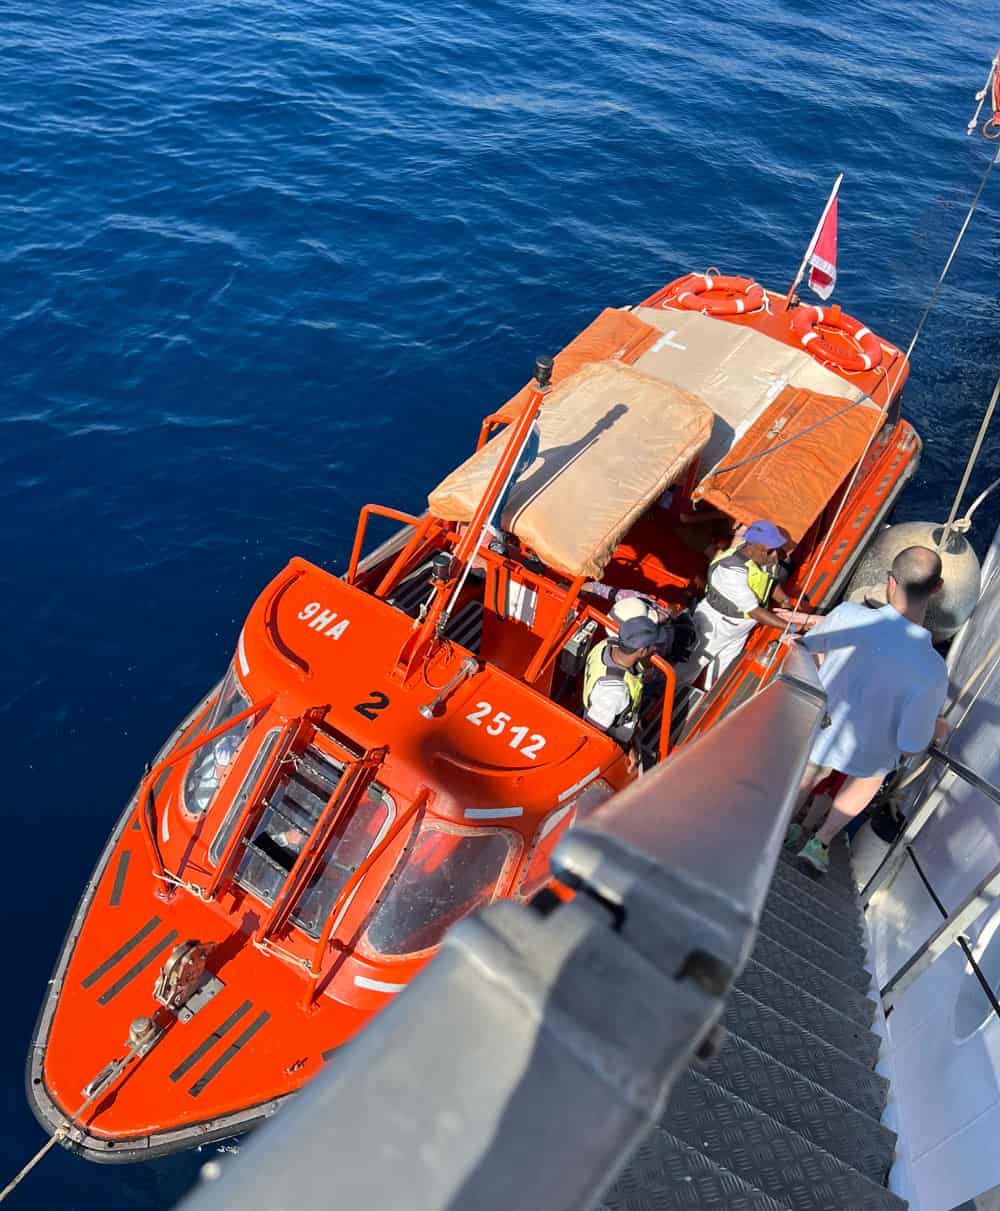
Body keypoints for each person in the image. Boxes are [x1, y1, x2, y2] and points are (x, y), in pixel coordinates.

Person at [788, 545, 949, 874]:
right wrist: (938, 728)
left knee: (810, 769)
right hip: (867, 754)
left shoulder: (848, 615)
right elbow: (911, 743)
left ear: (891, 581)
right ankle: (819, 843)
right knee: (872, 774)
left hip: (819, 731)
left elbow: (805, 651)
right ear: (938, 588)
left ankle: (780, 826)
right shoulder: (933, 669)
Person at [676, 518, 814, 689]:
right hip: (715, 626)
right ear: (753, 548)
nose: (775, 556)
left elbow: (769, 581)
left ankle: (706, 696)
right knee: (690, 667)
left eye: (776, 550)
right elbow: (755, 611)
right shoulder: (730, 571)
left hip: (740, 628)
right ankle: (665, 700)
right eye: (771, 551)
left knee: (721, 671)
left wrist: (785, 601)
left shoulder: (764, 557)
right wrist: (793, 628)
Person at [582, 614, 667, 763]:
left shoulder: (606, 644)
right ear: (641, 651)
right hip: (613, 732)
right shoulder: (614, 693)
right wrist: (627, 751)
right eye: (653, 646)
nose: (655, 648)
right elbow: (594, 735)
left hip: (613, 711)